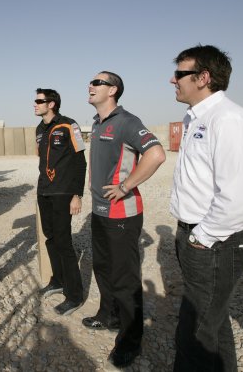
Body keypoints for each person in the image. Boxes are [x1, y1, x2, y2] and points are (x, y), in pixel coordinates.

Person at [169, 45, 243, 371]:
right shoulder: (198, 117)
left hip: (216, 242)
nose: (172, 80)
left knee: (194, 333)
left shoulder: (229, 119)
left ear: (203, 77)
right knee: (213, 321)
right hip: (198, 236)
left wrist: (201, 237)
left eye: (180, 73)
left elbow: (239, 196)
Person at [86, 71, 166, 368]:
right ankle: (108, 315)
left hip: (122, 214)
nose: (90, 86)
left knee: (125, 278)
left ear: (113, 90)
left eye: (97, 82)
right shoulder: (97, 123)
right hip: (99, 211)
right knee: (103, 268)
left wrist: (125, 185)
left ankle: (131, 341)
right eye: (90, 82)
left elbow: (156, 155)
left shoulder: (127, 121)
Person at [34, 88, 87, 316]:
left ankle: (74, 295)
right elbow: (41, 159)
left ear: (52, 104)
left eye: (39, 101)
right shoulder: (39, 129)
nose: (34, 104)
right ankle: (58, 280)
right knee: (50, 237)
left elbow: (80, 162)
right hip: (44, 191)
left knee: (64, 241)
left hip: (64, 192)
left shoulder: (69, 125)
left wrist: (77, 194)